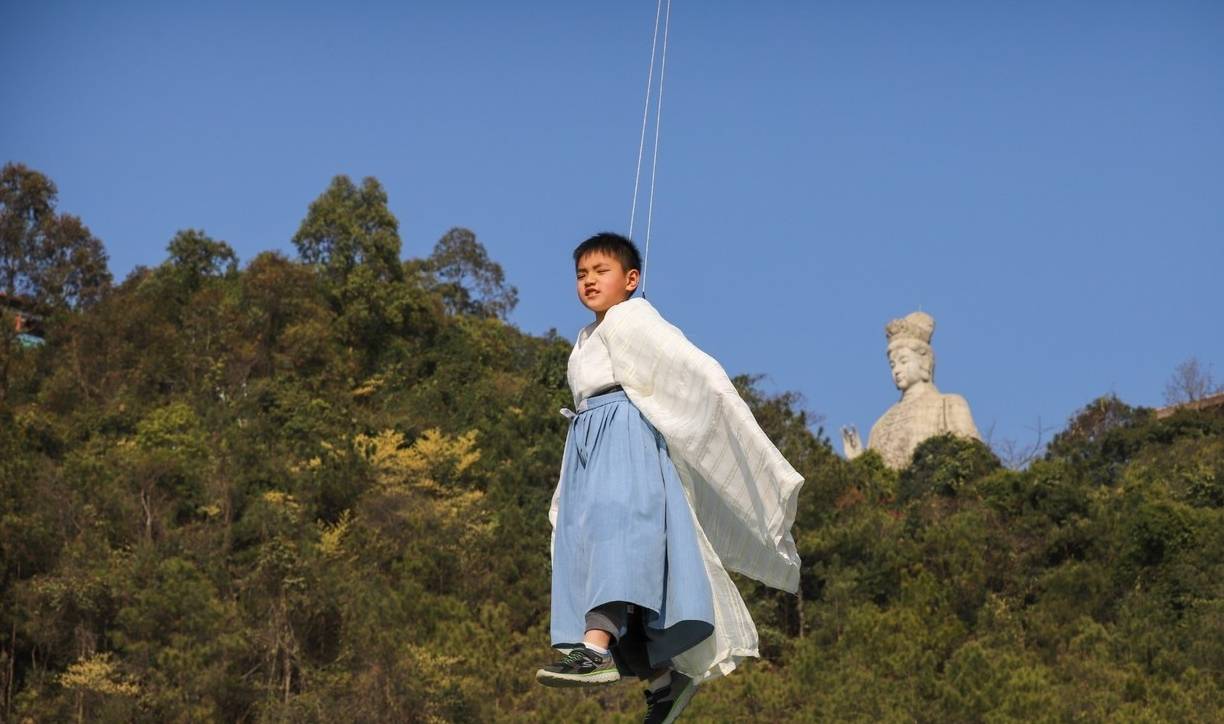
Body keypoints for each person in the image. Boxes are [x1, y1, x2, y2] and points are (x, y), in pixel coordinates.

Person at [536, 232, 804, 724]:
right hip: (588, 445)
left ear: (631, 279)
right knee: (589, 548)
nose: (589, 281)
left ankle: (594, 648)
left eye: (601, 271)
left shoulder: (632, 317)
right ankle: (663, 682)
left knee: (619, 537)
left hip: (624, 437)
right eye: (581, 274)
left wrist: (724, 413)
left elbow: (689, 368)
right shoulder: (586, 337)